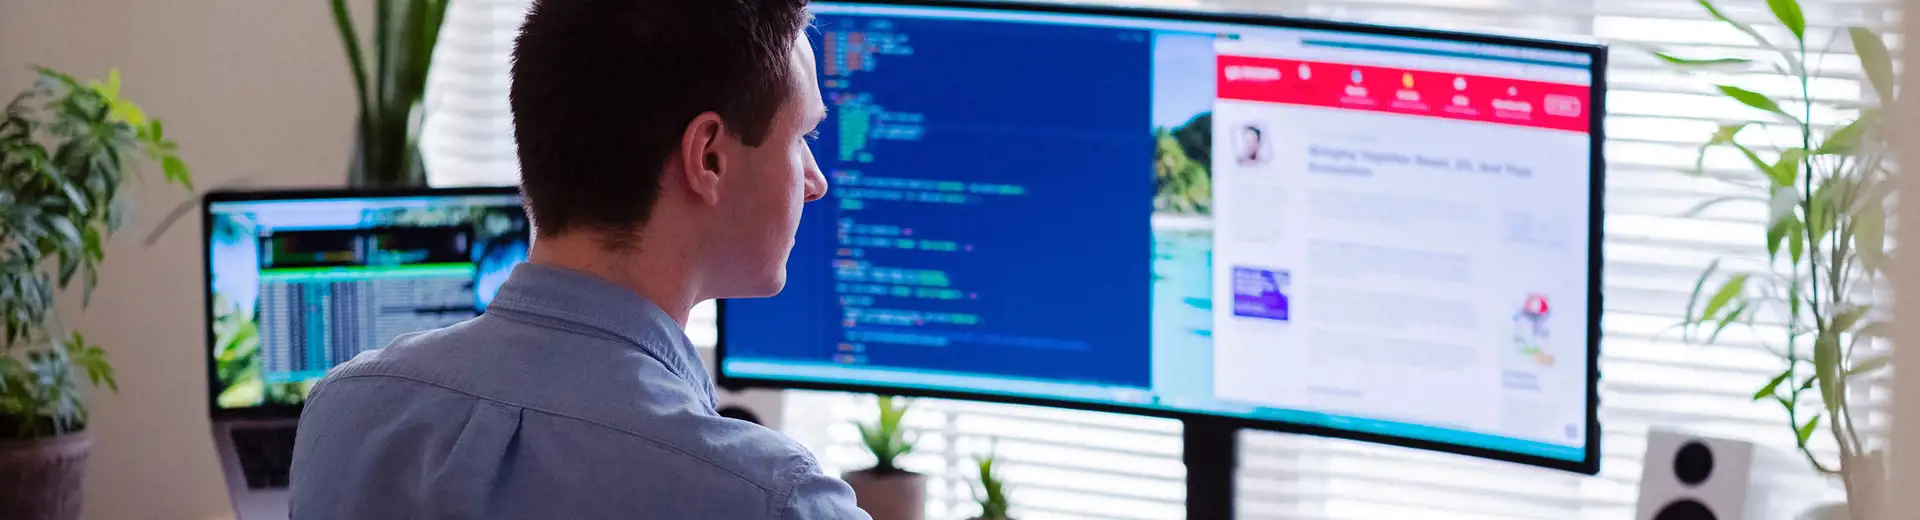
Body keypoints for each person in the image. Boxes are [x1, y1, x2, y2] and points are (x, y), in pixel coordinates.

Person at [289, 0, 866, 518]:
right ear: (708, 157)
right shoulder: (771, 499)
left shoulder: (344, 416)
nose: (814, 182)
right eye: (800, 139)